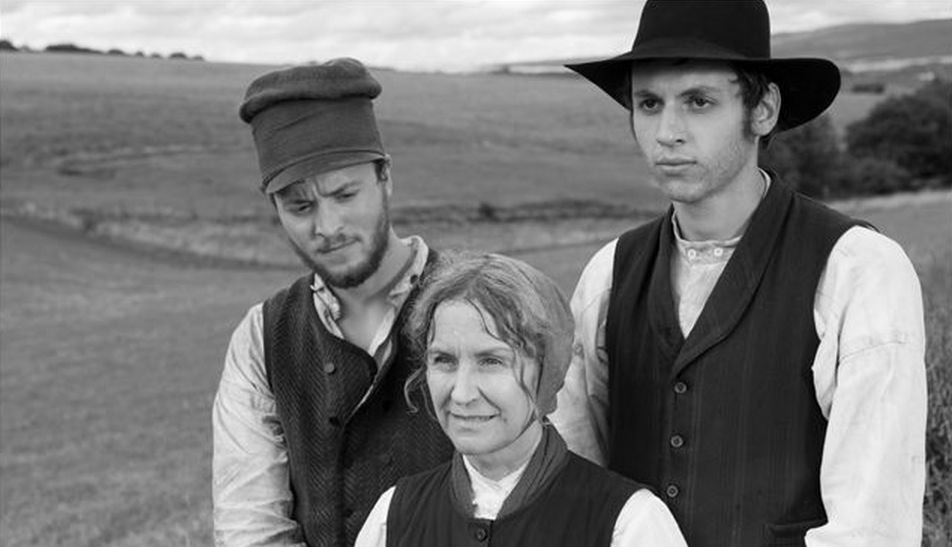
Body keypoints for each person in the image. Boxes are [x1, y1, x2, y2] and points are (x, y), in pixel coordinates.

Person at [549, 1, 927, 546]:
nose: (667, 132)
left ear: (763, 109)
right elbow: (577, 482)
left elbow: (873, 528)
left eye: (698, 101)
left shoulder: (857, 270)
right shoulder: (609, 274)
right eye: (649, 103)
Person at [212, 58, 453, 547]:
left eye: (344, 194)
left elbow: (542, 492)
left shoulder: (484, 306)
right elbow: (250, 527)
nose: (327, 227)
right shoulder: (262, 338)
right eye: (300, 206)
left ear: (385, 176)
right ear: (274, 207)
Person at [355, 252, 687, 546]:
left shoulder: (628, 525)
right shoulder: (392, 518)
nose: (462, 394)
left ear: (549, 371)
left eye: (491, 361)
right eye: (444, 360)